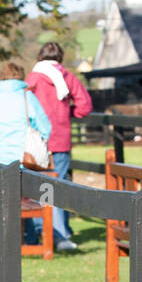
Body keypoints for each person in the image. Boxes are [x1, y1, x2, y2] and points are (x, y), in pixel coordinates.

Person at [27, 41, 92, 252]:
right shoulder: (66, 76)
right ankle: (60, 234)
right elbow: (85, 105)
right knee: (58, 187)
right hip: (60, 139)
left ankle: (39, 231)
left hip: (38, 141)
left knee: (37, 187)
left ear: (40, 56)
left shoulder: (33, 77)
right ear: (60, 57)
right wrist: (67, 113)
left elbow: (25, 102)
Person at [0, 62, 52, 246]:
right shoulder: (26, 97)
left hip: (1, 161)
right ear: (21, 76)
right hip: (24, 159)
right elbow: (44, 126)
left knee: (10, 199)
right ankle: (32, 238)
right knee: (31, 196)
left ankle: (13, 238)